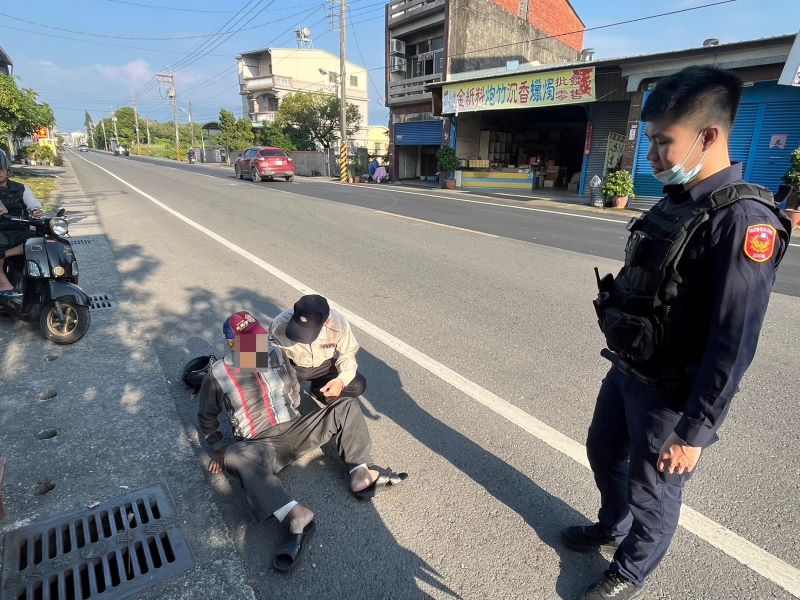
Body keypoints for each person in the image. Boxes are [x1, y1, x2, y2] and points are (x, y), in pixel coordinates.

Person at [562, 66, 791, 600]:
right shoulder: (677, 200)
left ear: (709, 136)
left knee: (654, 491)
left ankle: (631, 570)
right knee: (603, 452)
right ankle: (609, 526)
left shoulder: (743, 221)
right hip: (628, 371)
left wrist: (695, 432)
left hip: (671, 395)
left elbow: (733, 341)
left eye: (664, 143)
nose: (652, 157)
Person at [197, 311, 408, 571]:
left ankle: (359, 471)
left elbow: (293, 388)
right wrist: (218, 447)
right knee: (234, 455)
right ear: (231, 344)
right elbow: (207, 416)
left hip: (295, 428)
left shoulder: (274, 354)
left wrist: (297, 415)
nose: (257, 345)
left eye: (258, 338)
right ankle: (295, 514)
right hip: (261, 445)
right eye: (247, 342)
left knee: (346, 406)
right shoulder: (218, 373)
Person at [270, 294, 367, 404]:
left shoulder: (338, 323)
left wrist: (340, 381)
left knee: (357, 385)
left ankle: (318, 392)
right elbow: (264, 350)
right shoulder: (280, 323)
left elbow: (348, 353)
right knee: (272, 392)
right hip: (292, 366)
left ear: (325, 321)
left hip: (323, 366)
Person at [0, 150, 44, 297]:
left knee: (39, 241)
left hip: (20, 229)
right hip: (1, 232)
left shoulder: (21, 188)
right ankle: (3, 283)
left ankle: (30, 279)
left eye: (0, 169)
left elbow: (32, 203)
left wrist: (36, 210)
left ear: (7, 169)